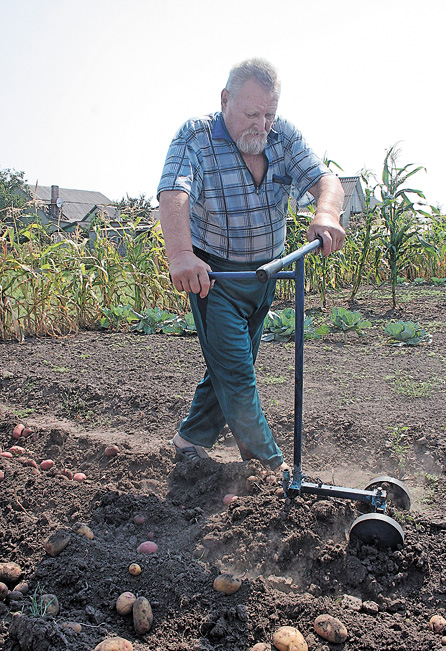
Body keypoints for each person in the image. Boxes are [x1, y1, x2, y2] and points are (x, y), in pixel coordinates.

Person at [157, 57, 345, 471]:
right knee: (238, 375)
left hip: (265, 276)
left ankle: (190, 437)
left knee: (228, 366)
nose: (261, 125)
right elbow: (174, 193)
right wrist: (182, 255)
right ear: (226, 100)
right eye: (251, 114)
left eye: (269, 114)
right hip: (215, 279)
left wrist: (327, 213)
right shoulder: (197, 136)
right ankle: (270, 468)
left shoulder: (283, 137)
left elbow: (326, 181)